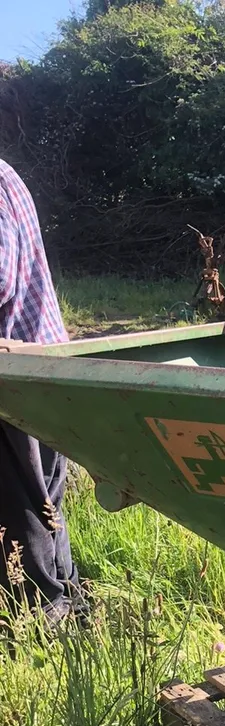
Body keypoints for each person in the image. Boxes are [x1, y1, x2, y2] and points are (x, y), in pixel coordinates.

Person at [0, 157, 85, 627]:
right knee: (43, 495)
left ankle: (43, 620)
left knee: (20, 500)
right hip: (38, 362)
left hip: (17, 371)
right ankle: (68, 603)